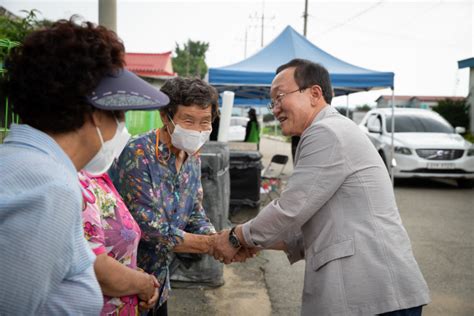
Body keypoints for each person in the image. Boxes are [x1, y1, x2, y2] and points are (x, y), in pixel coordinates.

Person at [212, 59, 430, 315]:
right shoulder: (331, 129)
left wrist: (236, 236)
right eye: (273, 102)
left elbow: (291, 208)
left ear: (315, 93)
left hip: (374, 292)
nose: (275, 109)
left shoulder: (326, 132)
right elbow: (309, 227)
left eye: (280, 97)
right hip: (375, 295)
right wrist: (253, 242)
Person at [0, 19, 168, 314]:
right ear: (94, 113)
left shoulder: (20, 163)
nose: (122, 127)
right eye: (120, 114)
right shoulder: (51, 188)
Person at [110, 77, 250, 316]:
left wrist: (218, 238)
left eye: (205, 122)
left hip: (160, 281)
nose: (197, 130)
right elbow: (152, 230)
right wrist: (213, 244)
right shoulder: (139, 154)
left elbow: (195, 210)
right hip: (127, 282)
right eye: (188, 120)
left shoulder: (192, 155)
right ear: (166, 117)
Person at [79, 111, 159, 315]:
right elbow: (96, 267)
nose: (123, 128)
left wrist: (136, 277)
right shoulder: (78, 182)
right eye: (118, 117)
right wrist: (143, 284)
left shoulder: (99, 175)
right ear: (94, 118)